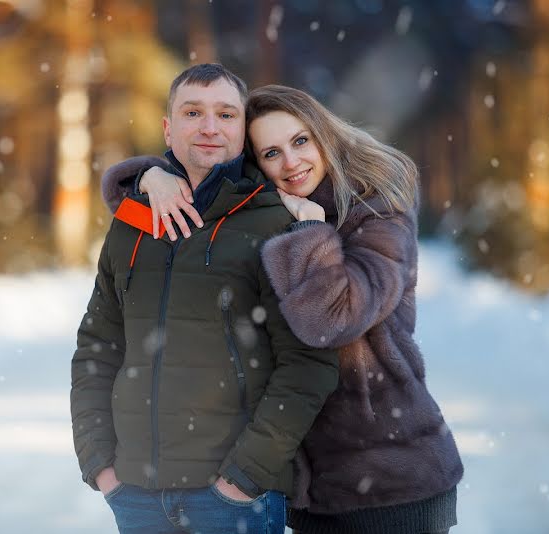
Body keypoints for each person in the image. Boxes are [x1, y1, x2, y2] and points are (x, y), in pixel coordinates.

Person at [100, 84, 464, 534]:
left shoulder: (376, 213)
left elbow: (334, 320)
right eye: (271, 153)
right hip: (308, 491)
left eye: (300, 142)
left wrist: (311, 232)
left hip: (389, 477)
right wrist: (150, 177)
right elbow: (170, 190)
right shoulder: (267, 211)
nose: (291, 163)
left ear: (324, 137)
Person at [71, 66, 340, 534]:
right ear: (168, 128)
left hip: (233, 500)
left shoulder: (276, 222)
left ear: (243, 131)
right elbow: (97, 347)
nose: (209, 127)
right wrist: (101, 464)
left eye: (225, 114)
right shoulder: (133, 220)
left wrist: (246, 477)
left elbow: (308, 363)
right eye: (193, 112)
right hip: (136, 496)